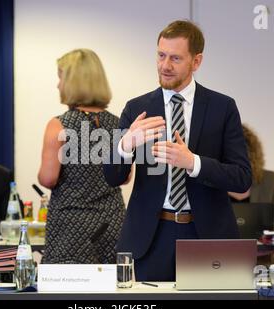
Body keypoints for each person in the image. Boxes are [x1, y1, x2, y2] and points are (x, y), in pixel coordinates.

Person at [103, 20, 251, 281]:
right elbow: (113, 177)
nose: (165, 65)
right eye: (160, 55)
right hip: (151, 237)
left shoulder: (223, 107)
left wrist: (193, 162)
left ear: (196, 62)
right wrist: (125, 145)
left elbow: (241, 178)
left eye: (175, 58)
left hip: (207, 235)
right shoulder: (136, 108)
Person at [38, 48, 127, 264]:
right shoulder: (119, 124)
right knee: (110, 288)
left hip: (70, 226)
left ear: (72, 82)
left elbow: (48, 178)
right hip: (112, 223)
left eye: (60, 78)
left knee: (66, 288)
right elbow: (124, 177)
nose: (57, 85)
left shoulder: (58, 125)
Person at [229, 124, 274, 266]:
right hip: (219, 264)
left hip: (262, 266)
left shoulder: (272, 180)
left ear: (251, 153)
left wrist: (259, 231)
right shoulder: (210, 182)